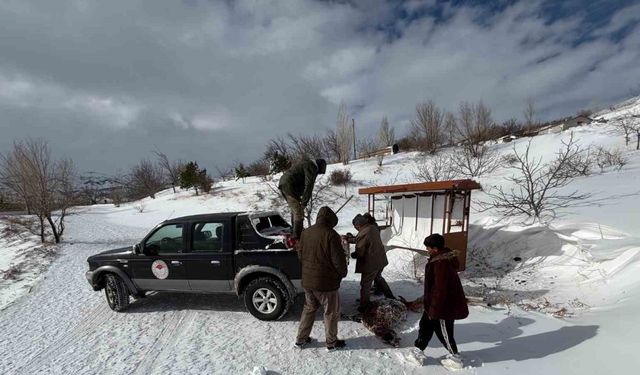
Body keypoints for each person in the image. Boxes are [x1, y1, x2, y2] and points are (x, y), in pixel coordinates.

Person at [295, 206, 348, 351]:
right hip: (326, 283)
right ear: (331, 220)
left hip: (308, 281)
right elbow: (339, 261)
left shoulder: (305, 233)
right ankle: (331, 343)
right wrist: (342, 273)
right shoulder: (331, 235)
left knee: (309, 309)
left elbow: (300, 255)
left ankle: (301, 339)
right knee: (331, 312)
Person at [414, 233, 469, 370]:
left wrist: (434, 309)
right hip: (433, 304)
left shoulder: (441, 263)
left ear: (435, 249)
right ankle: (418, 351)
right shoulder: (439, 259)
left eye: (428, 248)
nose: (427, 250)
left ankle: (455, 357)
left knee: (444, 332)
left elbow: (440, 289)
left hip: (444, 306)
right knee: (425, 326)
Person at [351, 213, 395, 313]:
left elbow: (360, 251)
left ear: (358, 225)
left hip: (371, 263)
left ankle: (364, 305)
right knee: (378, 278)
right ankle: (390, 296)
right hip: (380, 260)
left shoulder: (364, 232)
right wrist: (353, 239)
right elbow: (365, 240)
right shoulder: (372, 227)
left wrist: (355, 254)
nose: (356, 229)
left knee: (365, 284)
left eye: (356, 227)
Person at [278, 157, 327, 239]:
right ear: (319, 167)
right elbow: (309, 185)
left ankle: (294, 231)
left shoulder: (306, 163)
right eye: (318, 173)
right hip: (289, 186)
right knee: (298, 211)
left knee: (295, 209)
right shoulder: (312, 166)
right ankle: (297, 236)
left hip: (285, 184)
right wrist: (304, 202)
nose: (317, 174)